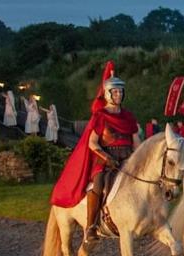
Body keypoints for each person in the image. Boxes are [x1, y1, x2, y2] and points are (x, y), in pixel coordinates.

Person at [50, 62, 140, 245]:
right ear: (107, 93)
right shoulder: (100, 116)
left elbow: (136, 141)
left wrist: (138, 158)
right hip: (105, 160)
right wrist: (107, 157)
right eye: (115, 92)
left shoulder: (129, 116)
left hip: (127, 159)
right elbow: (92, 143)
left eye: (121, 91)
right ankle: (91, 226)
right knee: (98, 184)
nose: (119, 95)